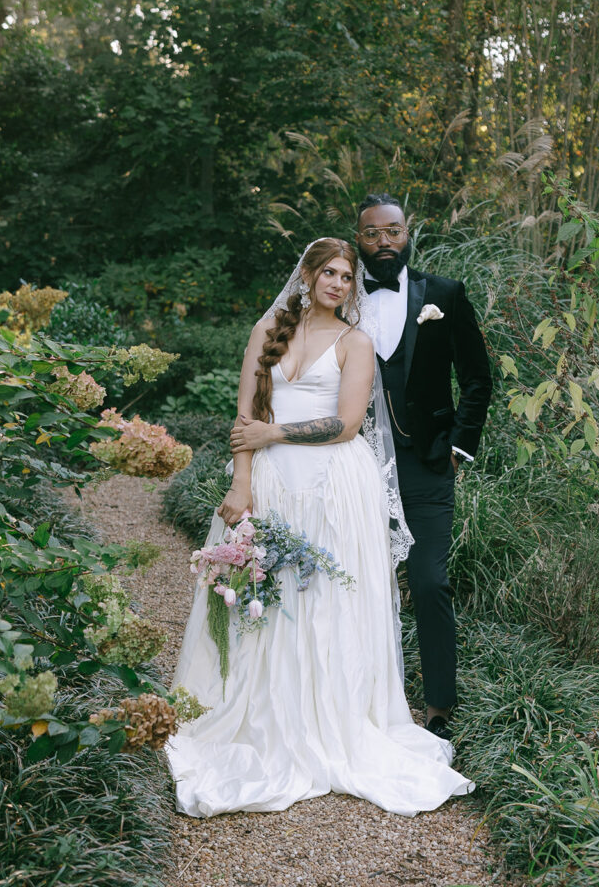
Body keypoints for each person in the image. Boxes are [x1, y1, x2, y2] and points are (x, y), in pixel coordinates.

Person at [165, 237, 473, 818]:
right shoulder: (268, 332)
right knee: (268, 598)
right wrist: (241, 482)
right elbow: (245, 416)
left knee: (330, 598)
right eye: (328, 272)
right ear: (306, 276)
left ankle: (334, 716)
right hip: (274, 484)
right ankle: (267, 712)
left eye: (346, 276)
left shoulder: (355, 342)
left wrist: (273, 436)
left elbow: (348, 423)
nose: (338, 283)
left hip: (336, 483)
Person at [355, 193, 492, 741]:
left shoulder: (444, 295)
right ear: (357, 237)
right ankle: (361, 697)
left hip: (428, 462)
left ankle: (439, 705)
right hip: (354, 464)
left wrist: (460, 446)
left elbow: (477, 377)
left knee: (430, 582)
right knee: (362, 581)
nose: (383, 241)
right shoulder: (338, 299)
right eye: (371, 233)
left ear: (408, 232)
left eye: (392, 230)